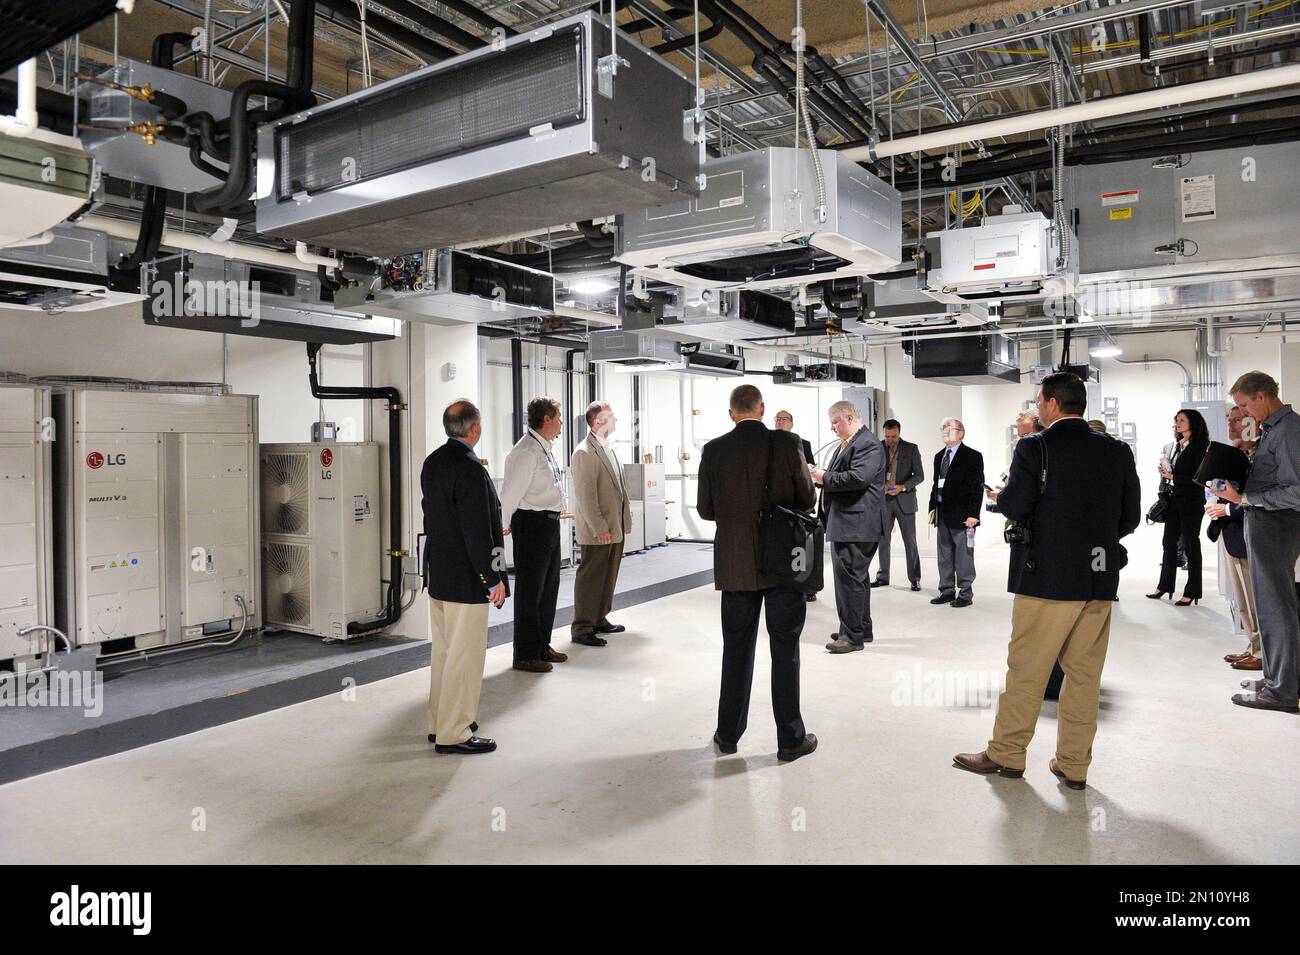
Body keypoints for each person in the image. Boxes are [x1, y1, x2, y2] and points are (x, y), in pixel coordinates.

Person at [953, 373, 1141, 789]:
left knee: (1027, 670)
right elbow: (1129, 516)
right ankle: (1074, 766)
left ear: (1053, 404)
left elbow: (1016, 504)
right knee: (1084, 677)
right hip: (1098, 577)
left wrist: (1002, 499)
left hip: (1047, 578)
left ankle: (1006, 754)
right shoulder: (1116, 451)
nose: (1038, 407)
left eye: (1040, 400)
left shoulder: (1034, 447)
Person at [697, 384, 818, 762]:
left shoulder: (714, 450)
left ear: (732, 413)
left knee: (736, 649)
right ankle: (790, 740)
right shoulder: (787, 443)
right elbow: (806, 499)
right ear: (762, 409)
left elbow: (705, 509)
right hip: (782, 562)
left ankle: (728, 734)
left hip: (736, 565)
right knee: (785, 650)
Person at [420, 400, 506, 755]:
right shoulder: (470, 469)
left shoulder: (433, 462)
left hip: (440, 574)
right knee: (465, 656)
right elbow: (475, 532)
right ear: (474, 429)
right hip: (468, 578)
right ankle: (455, 732)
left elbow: (443, 519)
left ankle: (439, 722)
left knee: (443, 653)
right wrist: (493, 578)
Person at [1212, 371, 1300, 714]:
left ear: (1263, 396)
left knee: (1277, 608)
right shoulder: (1273, 430)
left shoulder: (1289, 430)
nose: (1244, 412)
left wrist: (1245, 497)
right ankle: (1277, 678)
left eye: (1245, 404)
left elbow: (1296, 489)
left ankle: (1282, 691)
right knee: (1269, 607)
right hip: (1265, 523)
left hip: (1278, 525)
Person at [501, 396, 568, 673]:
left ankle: (541, 645)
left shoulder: (544, 448)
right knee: (530, 591)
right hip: (531, 525)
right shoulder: (526, 452)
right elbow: (509, 494)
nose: (562, 422)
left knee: (548, 589)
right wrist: (502, 524)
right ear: (547, 419)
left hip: (548, 524)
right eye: (559, 417)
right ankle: (525, 654)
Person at [813, 401, 886, 652]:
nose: (832, 428)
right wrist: (822, 476)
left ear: (850, 418)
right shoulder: (851, 443)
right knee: (857, 579)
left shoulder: (866, 443)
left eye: (835, 422)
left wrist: (822, 476)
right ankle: (860, 628)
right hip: (850, 523)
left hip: (855, 524)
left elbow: (858, 478)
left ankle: (851, 636)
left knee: (849, 581)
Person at [570, 401, 632, 648]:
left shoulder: (609, 448)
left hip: (613, 526)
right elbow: (586, 497)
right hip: (599, 529)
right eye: (612, 416)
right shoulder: (584, 452)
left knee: (608, 575)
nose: (616, 420)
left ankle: (598, 618)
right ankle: (582, 626)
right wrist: (599, 527)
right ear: (598, 421)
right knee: (591, 576)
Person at [1207, 404, 1261, 670]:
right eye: (1230, 419)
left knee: (1256, 600)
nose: (1231, 425)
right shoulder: (1238, 456)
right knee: (1244, 600)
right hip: (1232, 534)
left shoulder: (1261, 457)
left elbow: (1258, 500)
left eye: (1238, 420)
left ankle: (1262, 653)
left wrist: (1227, 506)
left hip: (1250, 536)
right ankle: (1254, 646)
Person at [1148, 408, 1209, 605]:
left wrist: (1173, 476)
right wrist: (1167, 472)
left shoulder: (1200, 447)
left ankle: (1192, 591)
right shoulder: (1178, 445)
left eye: (1182, 420)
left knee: (1191, 544)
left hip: (1192, 501)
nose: (1177, 423)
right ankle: (1164, 585)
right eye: (1176, 420)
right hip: (1175, 499)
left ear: (1193, 423)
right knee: (1168, 542)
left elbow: (1200, 478)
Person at [928, 418, 984, 607]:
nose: (945, 431)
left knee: (963, 556)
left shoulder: (972, 456)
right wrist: (932, 508)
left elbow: (977, 488)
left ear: (960, 433)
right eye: (943, 428)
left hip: (963, 516)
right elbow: (936, 484)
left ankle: (965, 593)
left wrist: (973, 515)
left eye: (949, 428)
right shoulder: (939, 456)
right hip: (943, 512)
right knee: (944, 554)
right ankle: (946, 590)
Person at [870, 418, 924, 592]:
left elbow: (920, 476)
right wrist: (881, 486)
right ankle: (882, 577)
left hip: (905, 500)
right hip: (883, 500)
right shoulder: (877, 447)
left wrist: (903, 487)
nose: (890, 440)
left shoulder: (911, 448)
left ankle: (915, 579)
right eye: (887, 436)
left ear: (899, 433)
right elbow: (870, 472)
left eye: (893, 436)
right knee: (883, 540)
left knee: (910, 541)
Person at [775, 409, 819, 603]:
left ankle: (807, 585)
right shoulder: (769, 443)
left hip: (798, 503)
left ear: (792, 423)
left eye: (784, 419)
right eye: (777, 419)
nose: (780, 422)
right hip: (778, 503)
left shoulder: (802, 443)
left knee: (802, 546)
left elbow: (809, 469)